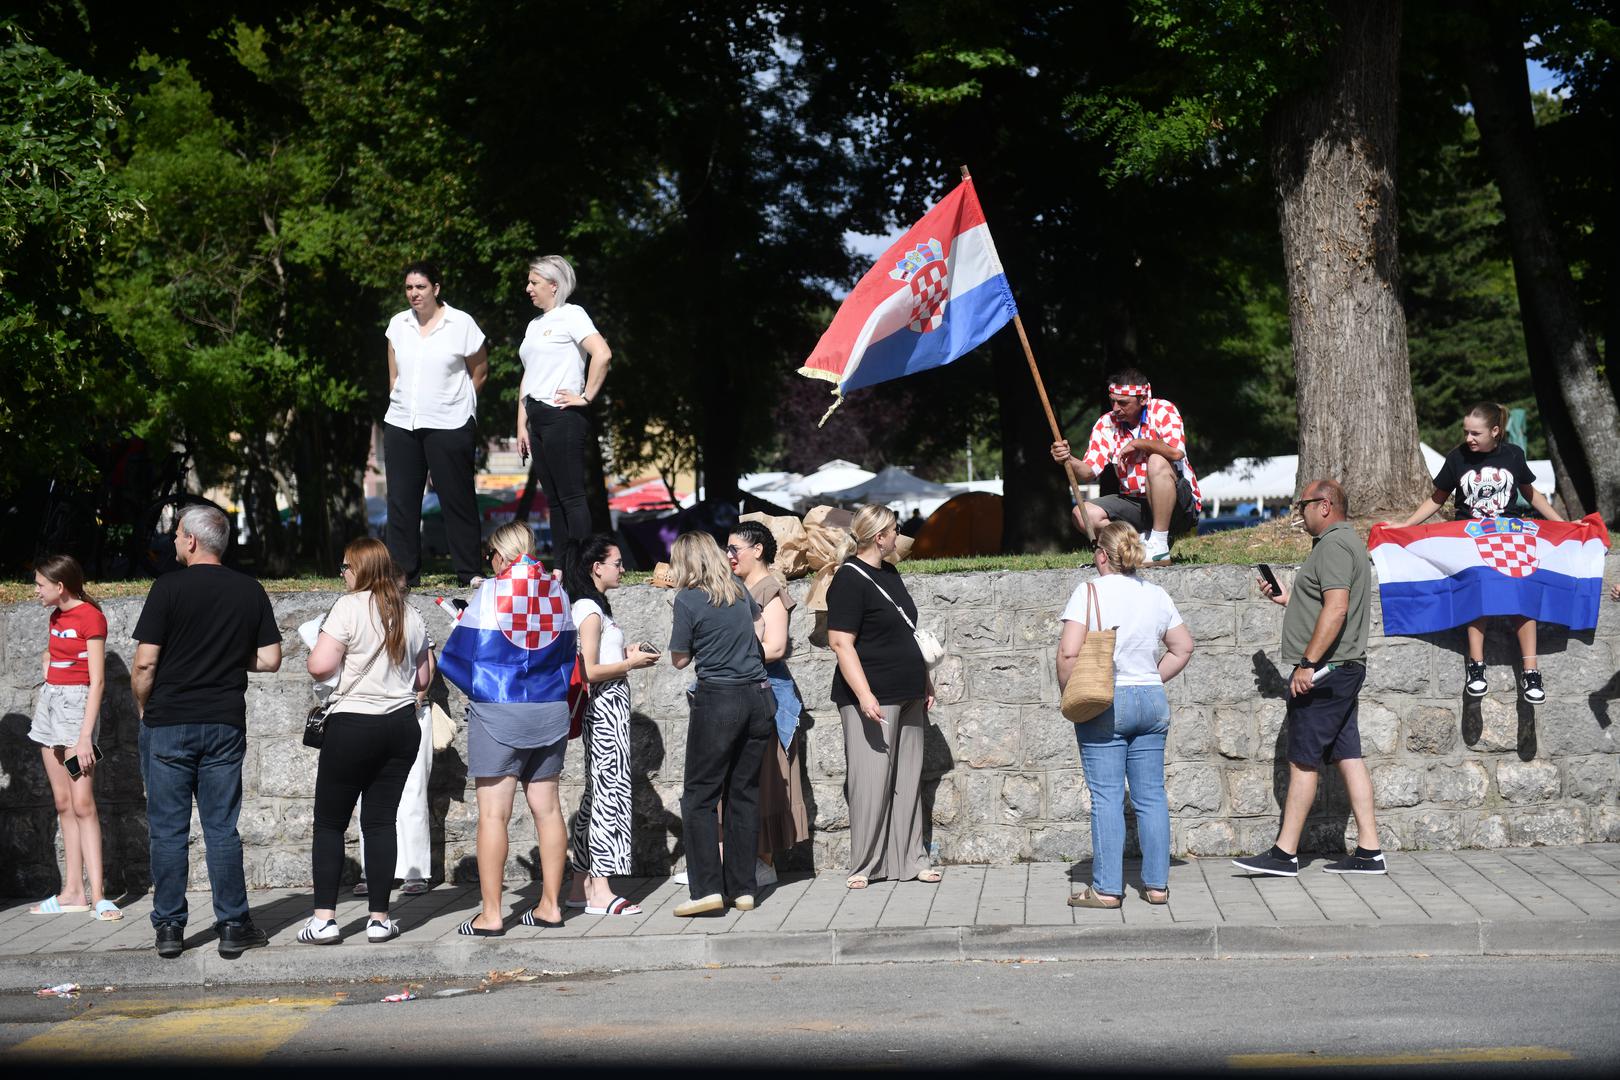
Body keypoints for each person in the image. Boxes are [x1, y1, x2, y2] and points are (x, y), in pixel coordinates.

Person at [131, 505, 282, 958]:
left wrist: (143, 706)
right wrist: (229, 656)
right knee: (221, 827)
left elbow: (145, 663)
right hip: (223, 723)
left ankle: (169, 928)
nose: (174, 541)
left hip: (169, 722)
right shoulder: (249, 589)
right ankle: (233, 924)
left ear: (192, 541)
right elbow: (270, 659)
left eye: (177, 534)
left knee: (167, 830)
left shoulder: (167, 587)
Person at [1233, 479, 1385, 878]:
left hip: (1327, 671)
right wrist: (1290, 598)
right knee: (1349, 757)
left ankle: (1284, 854)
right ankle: (1369, 851)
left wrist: (1307, 664)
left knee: (1303, 761)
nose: (1299, 512)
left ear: (1325, 505)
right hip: (1343, 668)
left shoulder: (1333, 546)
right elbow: (1325, 603)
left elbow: (1336, 610)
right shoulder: (1346, 543)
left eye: (1303, 505)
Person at [298, 538, 432, 945]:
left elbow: (320, 666)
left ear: (361, 569)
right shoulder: (410, 613)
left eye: (345, 566)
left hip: (354, 725)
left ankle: (324, 920)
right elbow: (423, 678)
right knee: (380, 822)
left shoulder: (348, 607)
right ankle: (379, 919)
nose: (342, 573)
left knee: (330, 823)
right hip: (401, 726)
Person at [457, 524, 586, 936]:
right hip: (549, 710)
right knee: (548, 810)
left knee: (494, 814)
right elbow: (568, 653)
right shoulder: (558, 592)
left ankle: (492, 914)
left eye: (489, 555)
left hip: (499, 711)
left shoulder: (490, 592)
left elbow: (460, 656)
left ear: (499, 553)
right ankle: (551, 906)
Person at [1055, 524, 1194, 908]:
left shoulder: (1088, 592)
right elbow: (1183, 647)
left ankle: (1106, 889)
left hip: (1106, 701)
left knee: (1107, 798)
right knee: (1151, 796)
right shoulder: (1156, 594)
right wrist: (1151, 678)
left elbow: (1068, 653)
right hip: (1150, 698)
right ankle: (1157, 886)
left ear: (1102, 554)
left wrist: (1070, 692)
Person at [1396, 402, 1564, 704]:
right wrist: (1405, 526)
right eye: (1466, 432)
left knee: (1522, 587)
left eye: (1476, 433)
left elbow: (1532, 495)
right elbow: (1437, 499)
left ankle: (1531, 671)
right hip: (1469, 539)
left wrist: (1564, 526)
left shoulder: (1514, 455)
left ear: (1495, 431)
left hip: (1510, 536)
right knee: (1479, 586)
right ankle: (1476, 667)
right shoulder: (1457, 457)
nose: (1469, 438)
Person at [826, 505, 942, 890]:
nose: (898, 535)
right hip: (872, 695)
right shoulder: (848, 578)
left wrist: (924, 680)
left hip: (908, 690)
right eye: (894, 529)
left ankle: (911, 859)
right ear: (879, 537)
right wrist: (864, 695)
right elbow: (841, 643)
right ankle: (865, 865)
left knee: (907, 782)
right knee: (871, 782)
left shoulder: (890, 573)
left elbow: (906, 632)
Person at [668, 532, 776, 916]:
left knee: (699, 797)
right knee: (742, 794)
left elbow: (680, 659)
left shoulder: (688, 599)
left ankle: (707, 890)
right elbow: (760, 627)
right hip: (759, 697)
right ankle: (743, 889)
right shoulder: (738, 591)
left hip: (719, 699)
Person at [564, 533, 659, 916]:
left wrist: (624, 653)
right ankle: (600, 891)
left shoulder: (593, 606)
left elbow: (599, 658)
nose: (622, 568)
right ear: (596, 567)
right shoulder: (589, 609)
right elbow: (588, 670)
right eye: (616, 563)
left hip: (608, 707)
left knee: (595, 796)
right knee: (608, 796)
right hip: (604, 710)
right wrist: (630, 663)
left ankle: (579, 886)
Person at [383, 260, 489, 586]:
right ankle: (402, 575)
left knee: (457, 499)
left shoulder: (461, 323)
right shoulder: (398, 324)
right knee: (401, 501)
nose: (414, 293)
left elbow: (480, 371)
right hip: (402, 422)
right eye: (409, 288)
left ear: (436, 288)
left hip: (450, 422)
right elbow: (394, 375)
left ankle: (469, 572)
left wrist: (460, 405)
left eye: (421, 287)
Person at [27, 555, 119, 922]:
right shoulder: (56, 617)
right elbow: (57, 653)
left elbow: (97, 681)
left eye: (40, 585)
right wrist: (47, 663)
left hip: (76, 710)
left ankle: (98, 896)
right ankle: (72, 892)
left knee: (83, 804)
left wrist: (84, 738)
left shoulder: (90, 617)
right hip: (50, 706)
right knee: (63, 803)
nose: (35, 591)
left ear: (60, 586)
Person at [727, 521, 810, 888]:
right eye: (727, 549)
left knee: (767, 781)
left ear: (757, 550)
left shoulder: (769, 590)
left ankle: (764, 863)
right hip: (739, 693)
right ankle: (734, 861)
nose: (729, 556)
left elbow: (775, 647)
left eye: (735, 549)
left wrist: (728, 652)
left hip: (766, 696)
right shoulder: (738, 589)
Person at [1050, 368, 1203, 562]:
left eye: (1123, 403)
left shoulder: (1163, 410)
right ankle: (1136, 546)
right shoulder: (1106, 424)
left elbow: (1176, 452)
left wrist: (1139, 444)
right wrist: (1068, 459)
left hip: (1179, 504)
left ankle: (1159, 543)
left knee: (1156, 460)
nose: (1115, 408)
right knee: (1082, 514)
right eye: (1112, 401)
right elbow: (1088, 472)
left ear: (1143, 399)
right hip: (1133, 502)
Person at [516, 255, 612, 549]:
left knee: (571, 497)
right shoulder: (534, 325)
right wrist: (521, 425)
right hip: (536, 416)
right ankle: (562, 566)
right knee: (554, 500)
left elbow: (602, 353)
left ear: (554, 285)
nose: (528, 288)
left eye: (534, 282)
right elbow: (529, 375)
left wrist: (586, 397)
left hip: (562, 415)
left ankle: (581, 565)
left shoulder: (572, 314)